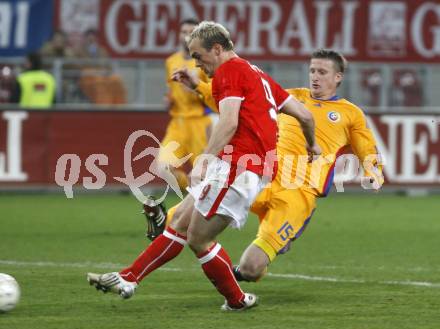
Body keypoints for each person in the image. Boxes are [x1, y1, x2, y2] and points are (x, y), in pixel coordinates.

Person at [87, 21, 320, 311]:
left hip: (239, 168)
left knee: (198, 238)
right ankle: (129, 277)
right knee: (180, 222)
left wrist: (205, 160)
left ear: (218, 49)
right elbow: (305, 116)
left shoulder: (229, 71)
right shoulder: (256, 72)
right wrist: (312, 144)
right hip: (244, 166)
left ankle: (234, 300)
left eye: (198, 56)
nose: (196, 63)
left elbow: (229, 120)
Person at [138, 49, 385, 284]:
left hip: (298, 193)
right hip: (263, 176)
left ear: (338, 77)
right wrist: (198, 87)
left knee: (251, 269)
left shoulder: (350, 113)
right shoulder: (292, 97)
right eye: (312, 71)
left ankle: (243, 270)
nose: (315, 77)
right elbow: (234, 104)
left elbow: (366, 147)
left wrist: (373, 171)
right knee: (192, 212)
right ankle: (166, 220)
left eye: (322, 72)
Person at [158, 18, 215, 190]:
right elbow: (172, 90)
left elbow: (214, 95)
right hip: (177, 123)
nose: (186, 36)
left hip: (199, 122)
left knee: (205, 174)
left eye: (191, 32)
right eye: (184, 32)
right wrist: (169, 99)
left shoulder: (205, 62)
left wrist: (197, 89)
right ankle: (191, 192)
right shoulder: (171, 62)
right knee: (163, 167)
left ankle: (202, 200)